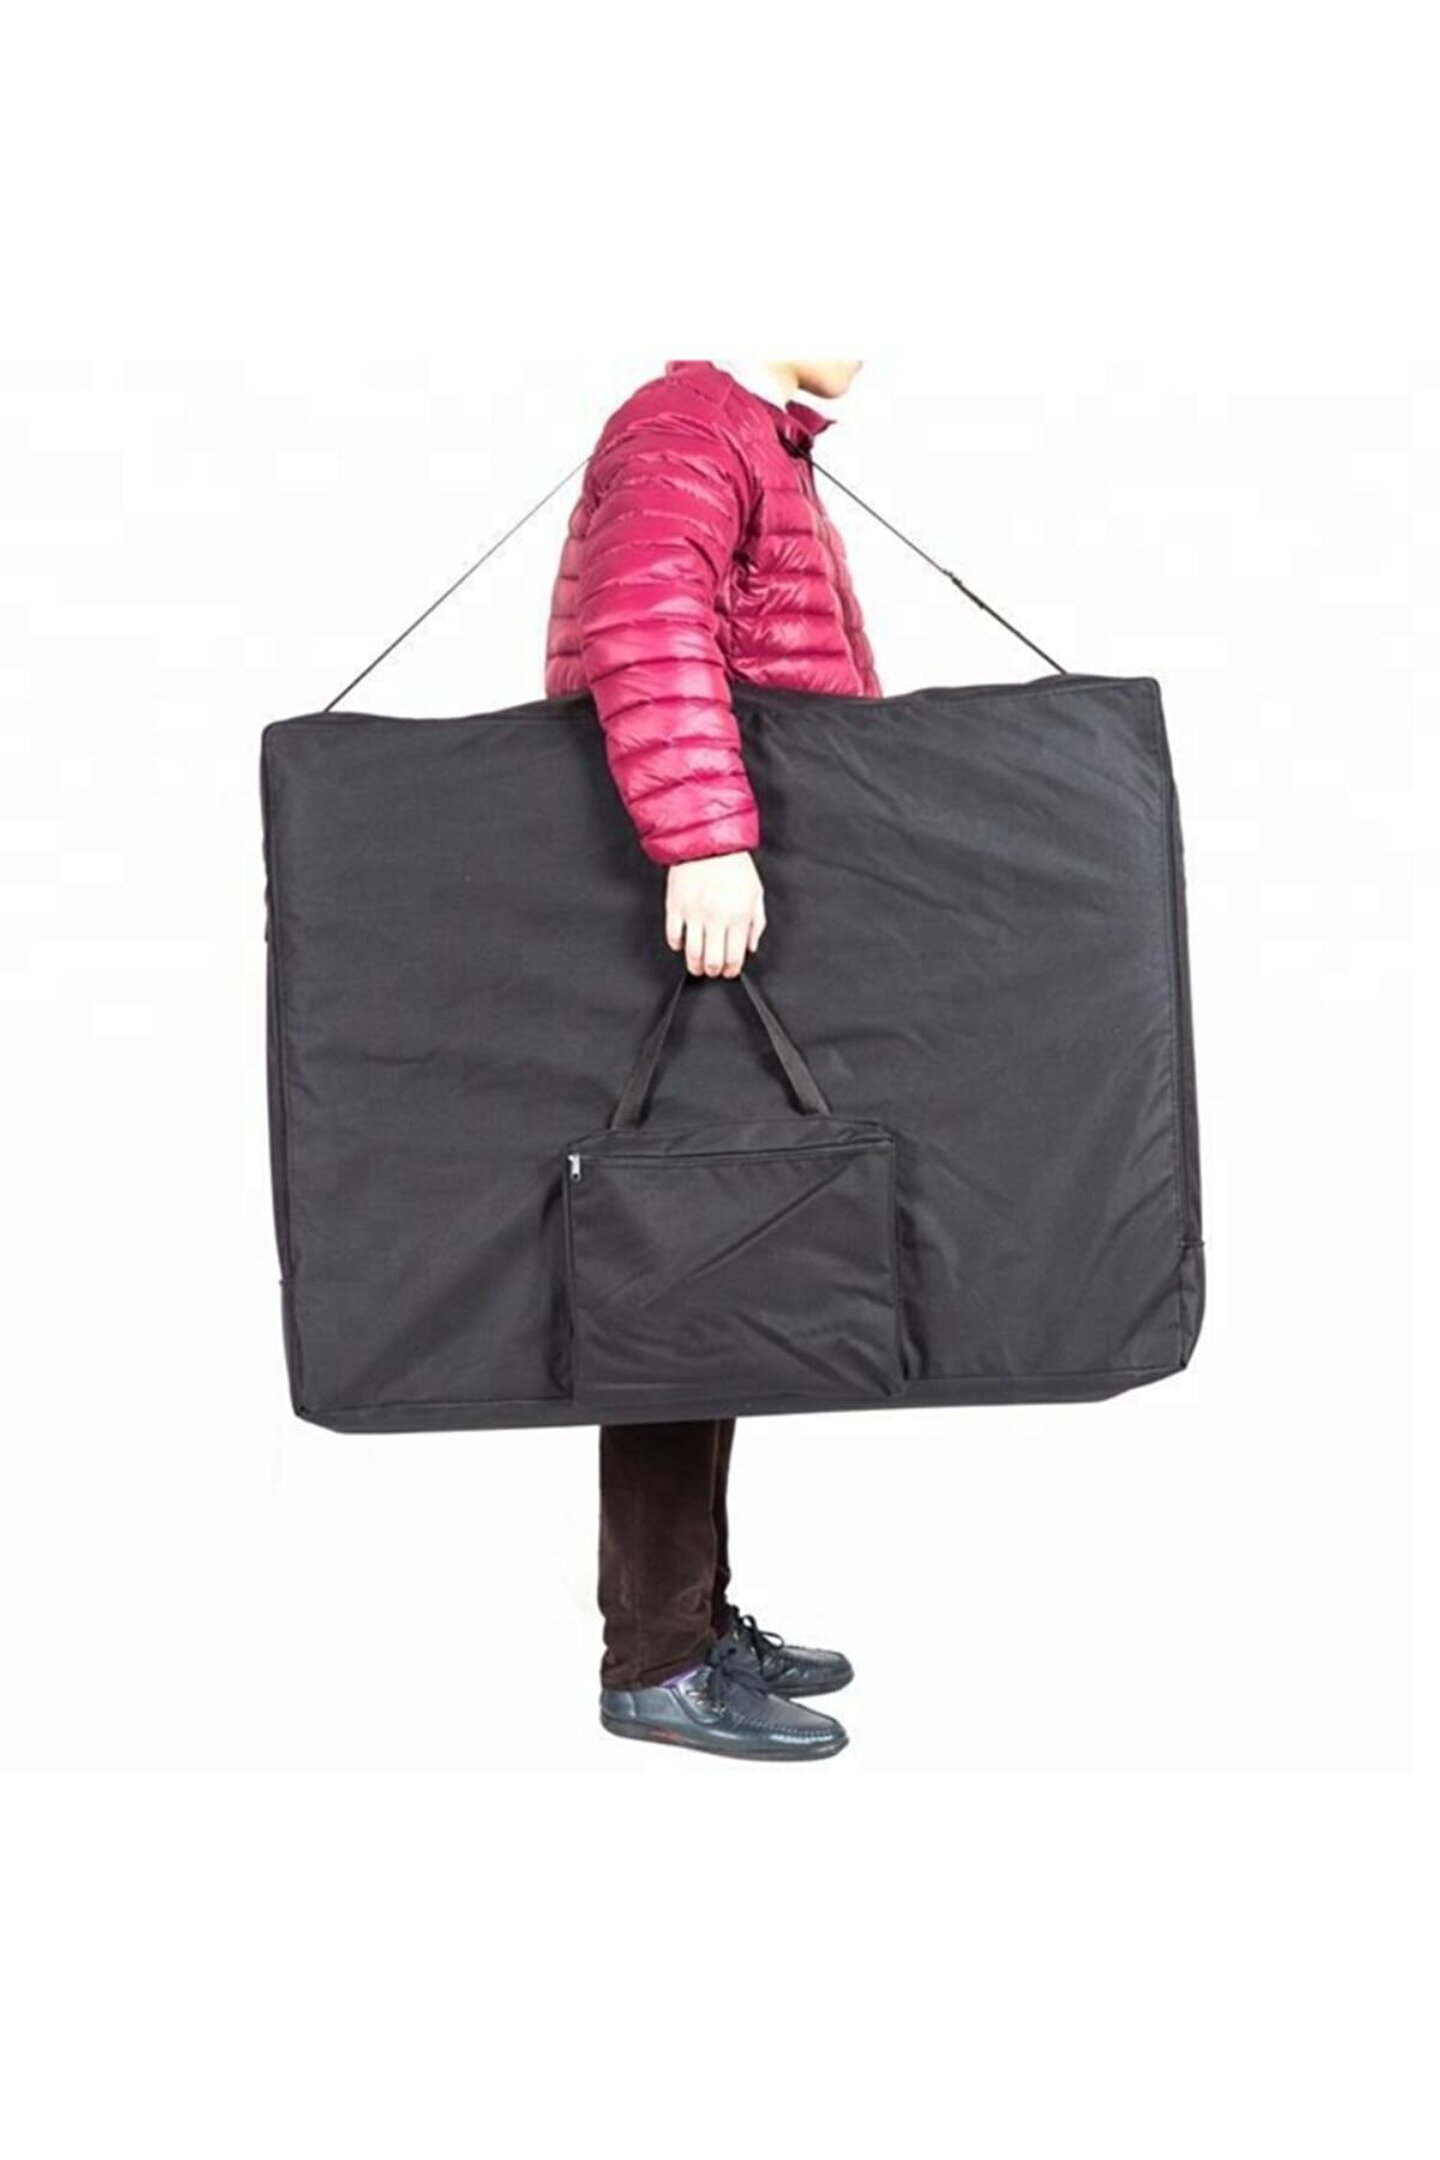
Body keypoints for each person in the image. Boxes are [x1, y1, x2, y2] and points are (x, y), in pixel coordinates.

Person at [543, 359, 880, 1761]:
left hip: (726, 891)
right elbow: (642, 614)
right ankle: (658, 1659)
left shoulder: (758, 433)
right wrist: (705, 840)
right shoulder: (693, 416)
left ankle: (688, 1617)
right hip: (693, 894)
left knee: (714, 1256)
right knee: (677, 1269)